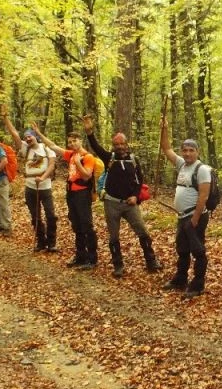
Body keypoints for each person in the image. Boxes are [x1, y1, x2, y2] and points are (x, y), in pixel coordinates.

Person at [82, 115, 161, 277]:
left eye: (122, 144)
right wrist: (90, 132)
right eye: (116, 144)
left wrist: (135, 196)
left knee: (143, 232)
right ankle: (118, 266)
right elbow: (96, 147)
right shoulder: (108, 158)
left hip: (130, 204)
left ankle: (151, 261)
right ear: (113, 146)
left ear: (127, 144)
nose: (119, 147)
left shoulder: (134, 160)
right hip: (111, 203)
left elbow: (139, 181)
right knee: (114, 236)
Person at [32, 123, 99, 270]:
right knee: (76, 225)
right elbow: (53, 146)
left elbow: (87, 176)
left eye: (75, 140)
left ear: (80, 141)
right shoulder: (71, 154)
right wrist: (38, 133)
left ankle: (92, 258)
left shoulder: (88, 157)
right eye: (70, 142)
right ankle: (80, 255)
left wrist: (77, 163)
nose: (72, 143)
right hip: (71, 194)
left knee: (86, 225)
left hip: (83, 194)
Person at [159, 115, 211, 298]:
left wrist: (195, 219)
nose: (187, 153)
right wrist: (164, 128)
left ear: (197, 152)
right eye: (185, 150)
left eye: (191, 150)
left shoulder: (202, 169)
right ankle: (180, 279)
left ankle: (197, 285)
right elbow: (166, 149)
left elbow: (204, 195)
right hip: (181, 216)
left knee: (198, 250)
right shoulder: (182, 165)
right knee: (182, 249)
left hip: (195, 216)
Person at [1, 106, 57, 252]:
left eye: (29, 136)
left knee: (51, 215)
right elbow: (14, 134)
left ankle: (52, 243)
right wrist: (5, 118)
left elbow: (51, 166)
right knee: (35, 217)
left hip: (45, 187)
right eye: (26, 137)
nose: (27, 138)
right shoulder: (26, 149)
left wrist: (43, 177)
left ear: (35, 137)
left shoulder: (47, 148)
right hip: (30, 188)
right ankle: (41, 242)